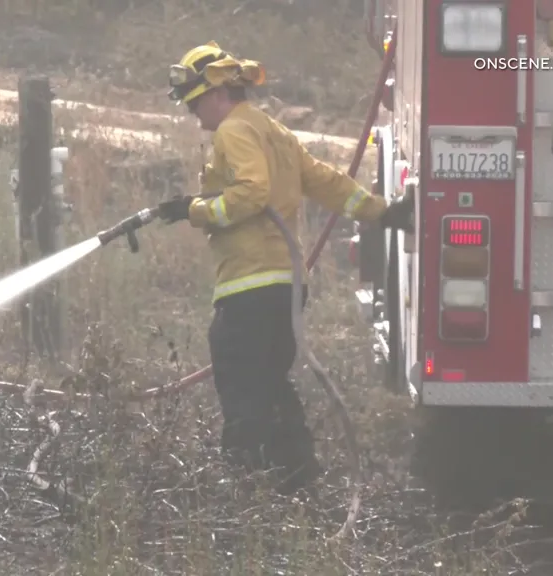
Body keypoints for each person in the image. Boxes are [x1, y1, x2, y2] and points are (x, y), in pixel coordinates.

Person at [155, 41, 413, 497]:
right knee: (271, 382)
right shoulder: (272, 131)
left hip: (248, 284)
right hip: (285, 287)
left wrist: (195, 210)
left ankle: (244, 488)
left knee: (242, 386)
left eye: (195, 102)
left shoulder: (233, 131)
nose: (194, 114)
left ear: (216, 92)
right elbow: (326, 182)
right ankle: (300, 479)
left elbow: (251, 193)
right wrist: (382, 212)